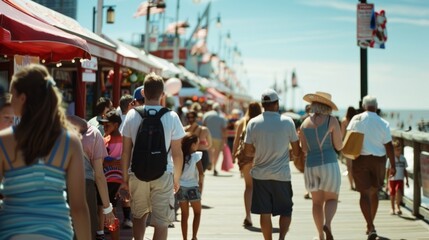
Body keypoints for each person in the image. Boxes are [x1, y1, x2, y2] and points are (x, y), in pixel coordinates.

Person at [0, 64, 91, 239]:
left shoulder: (4, 141)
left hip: (12, 232)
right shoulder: (70, 142)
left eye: (13, 95)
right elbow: (79, 207)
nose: (10, 101)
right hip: (57, 233)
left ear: (23, 98)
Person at [120, 72, 186, 240]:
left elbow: (126, 151)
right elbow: (178, 153)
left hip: (137, 172)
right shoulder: (171, 116)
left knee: (139, 216)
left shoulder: (132, 115)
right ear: (163, 94)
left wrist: (124, 179)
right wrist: (176, 179)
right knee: (162, 222)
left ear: (143, 93)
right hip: (164, 173)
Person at [243, 89, 301, 240]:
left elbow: (247, 151)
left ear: (263, 105)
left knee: (265, 212)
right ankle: (281, 238)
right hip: (282, 175)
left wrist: (261, 152)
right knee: (286, 211)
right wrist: (288, 155)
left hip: (260, 175)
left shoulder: (253, 123)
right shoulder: (288, 122)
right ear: (276, 104)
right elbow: (297, 151)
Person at [347, 95, 396, 240]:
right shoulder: (384, 123)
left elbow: (348, 138)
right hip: (379, 162)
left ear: (363, 106)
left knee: (364, 194)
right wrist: (393, 165)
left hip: (360, 159)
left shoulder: (356, 119)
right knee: (374, 193)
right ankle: (371, 225)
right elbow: (389, 146)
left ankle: (370, 225)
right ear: (376, 106)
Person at [299, 92, 343, 240]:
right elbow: (338, 145)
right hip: (329, 164)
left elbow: (304, 149)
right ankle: (328, 225)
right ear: (327, 106)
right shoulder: (332, 120)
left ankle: (320, 235)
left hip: (311, 167)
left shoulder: (304, 123)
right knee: (331, 199)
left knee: (316, 203)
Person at [67, 115, 116, 240]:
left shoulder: (57, 132)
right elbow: (99, 175)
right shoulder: (94, 134)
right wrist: (107, 209)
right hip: (85, 186)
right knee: (86, 230)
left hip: (60, 185)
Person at [231, 102, 262, 227]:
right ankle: (264, 215)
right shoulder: (261, 122)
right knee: (262, 187)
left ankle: (248, 215)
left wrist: (233, 156)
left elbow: (236, 140)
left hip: (245, 158)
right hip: (260, 157)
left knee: (249, 187)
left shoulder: (242, 122)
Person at [177, 133, 204, 240]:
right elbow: (201, 173)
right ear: (193, 145)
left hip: (181, 187)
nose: (198, 145)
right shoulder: (196, 156)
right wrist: (201, 186)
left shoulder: (180, 155)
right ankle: (194, 237)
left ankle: (185, 238)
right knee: (197, 213)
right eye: (197, 143)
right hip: (193, 187)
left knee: (184, 215)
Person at [385, 140, 409, 215]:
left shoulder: (403, 159)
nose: (399, 151)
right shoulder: (390, 159)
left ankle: (398, 206)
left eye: (400, 150)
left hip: (400, 179)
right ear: (393, 151)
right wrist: (386, 182)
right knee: (392, 194)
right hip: (392, 179)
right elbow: (387, 171)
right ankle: (392, 208)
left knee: (399, 191)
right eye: (397, 150)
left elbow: (405, 170)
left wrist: (407, 180)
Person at [203, 102, 227, 176]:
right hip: (218, 137)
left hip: (208, 136)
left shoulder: (206, 115)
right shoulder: (221, 116)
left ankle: (210, 161)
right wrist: (224, 140)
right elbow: (224, 130)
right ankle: (214, 167)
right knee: (216, 153)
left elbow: (204, 126)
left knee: (209, 151)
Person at [341, 106, 358, 190]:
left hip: (347, 144)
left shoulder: (344, 121)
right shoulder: (356, 120)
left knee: (349, 166)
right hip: (355, 144)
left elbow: (342, 135)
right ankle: (357, 183)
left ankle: (351, 185)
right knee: (356, 166)